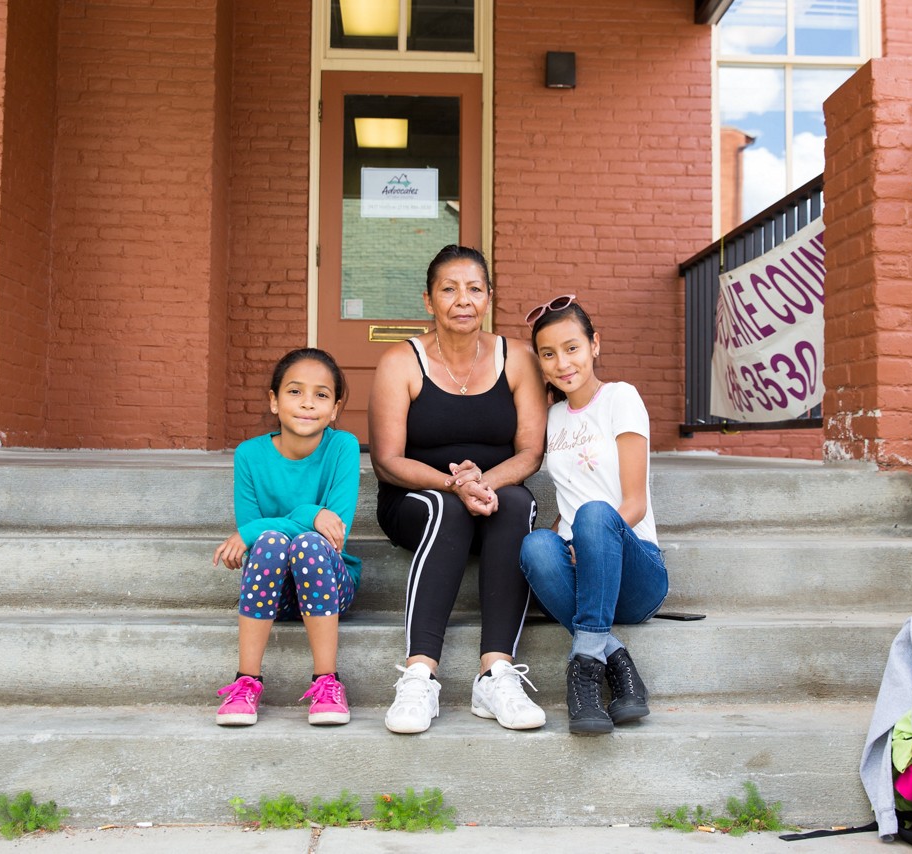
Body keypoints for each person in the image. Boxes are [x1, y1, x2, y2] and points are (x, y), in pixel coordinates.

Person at [369, 244, 548, 735]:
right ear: (429, 301)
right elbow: (387, 460)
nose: (462, 300)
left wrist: (483, 483)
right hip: (415, 499)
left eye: (474, 289)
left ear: (488, 297)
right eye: (448, 289)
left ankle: (496, 674)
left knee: (518, 502)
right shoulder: (399, 362)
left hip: (491, 496)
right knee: (446, 509)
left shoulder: (518, 359)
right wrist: (454, 484)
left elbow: (531, 452)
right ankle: (419, 675)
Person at [518, 295, 668, 735]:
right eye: (548, 354)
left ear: (594, 345)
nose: (562, 362)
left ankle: (583, 670)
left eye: (572, 348)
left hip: (637, 568)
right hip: (585, 573)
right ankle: (617, 660)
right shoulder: (552, 417)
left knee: (594, 515)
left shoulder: (621, 398)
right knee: (534, 545)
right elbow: (566, 501)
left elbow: (634, 504)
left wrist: (588, 537)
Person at [211, 348, 362, 727]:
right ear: (274, 401)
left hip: (329, 585)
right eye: (295, 392)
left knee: (310, 544)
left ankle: (327, 682)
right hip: (271, 590)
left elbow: (335, 533)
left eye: (321, 395)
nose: (308, 403)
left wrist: (297, 520)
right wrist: (311, 514)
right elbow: (256, 534)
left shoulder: (342, 447)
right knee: (273, 543)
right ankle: (246, 681)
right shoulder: (249, 455)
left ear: (335, 409)